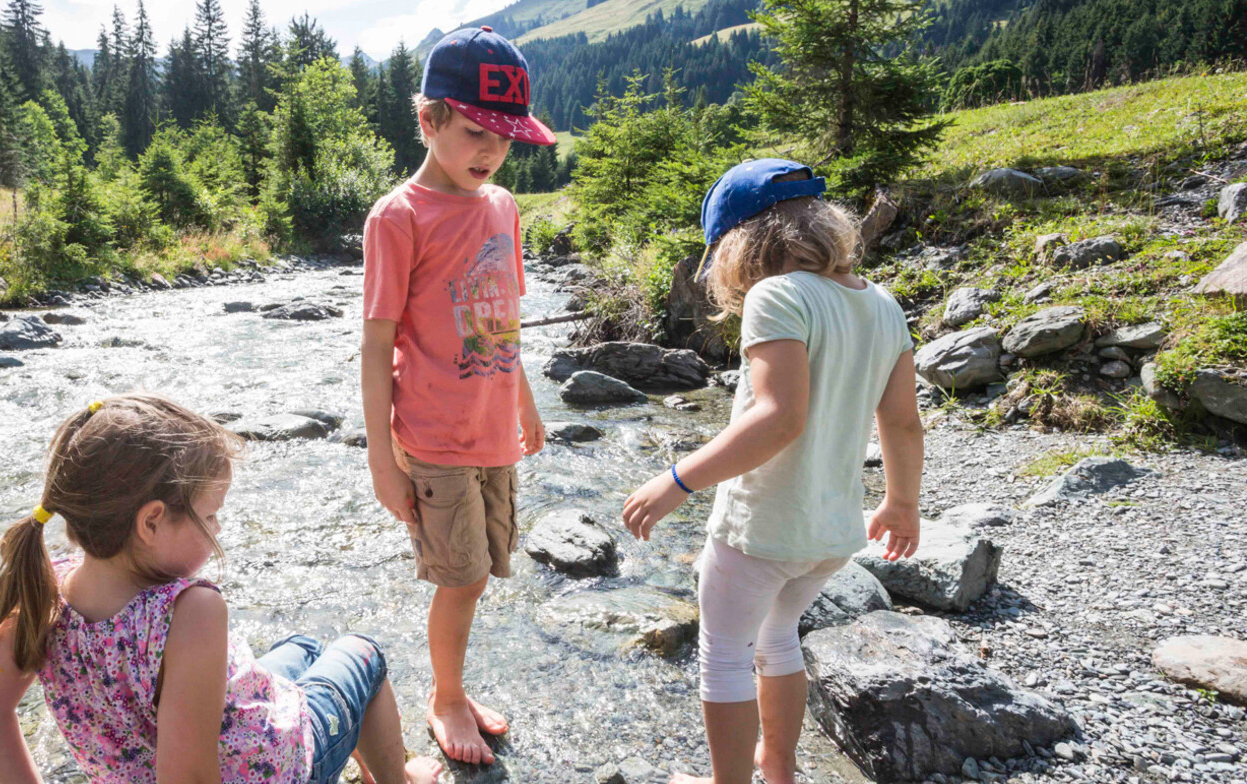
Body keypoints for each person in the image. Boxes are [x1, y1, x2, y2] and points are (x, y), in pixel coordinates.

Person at [620, 160, 925, 784]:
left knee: (725, 654)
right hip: (833, 532)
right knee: (778, 635)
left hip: (761, 528)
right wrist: (901, 504)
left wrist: (677, 480)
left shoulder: (777, 295)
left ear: (738, 245)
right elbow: (902, 423)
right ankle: (778, 768)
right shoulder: (883, 304)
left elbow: (778, 417)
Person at [0, 394, 441, 784]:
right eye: (210, 515)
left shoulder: (43, 591)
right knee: (363, 654)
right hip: (277, 769)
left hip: (209, 739)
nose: (218, 529)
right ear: (151, 521)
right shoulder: (190, 610)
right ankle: (398, 775)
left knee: (304, 648)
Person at [359, 25, 556, 767]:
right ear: (429, 120)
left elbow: (502, 319)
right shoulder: (399, 217)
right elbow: (378, 344)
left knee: (483, 571)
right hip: (433, 435)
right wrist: (382, 455)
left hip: (493, 428)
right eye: (475, 132)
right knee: (463, 575)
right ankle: (445, 697)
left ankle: (455, 687)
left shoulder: (503, 207)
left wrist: (526, 403)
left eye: (504, 139)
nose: (490, 152)